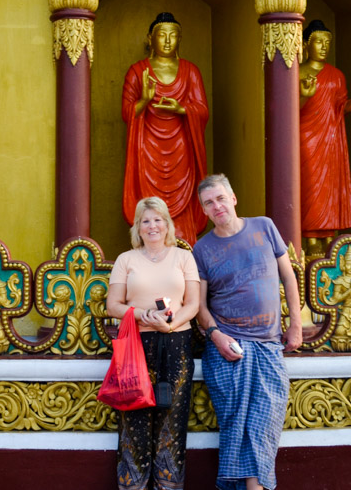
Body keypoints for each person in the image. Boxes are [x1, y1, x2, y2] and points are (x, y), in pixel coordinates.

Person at [193, 174, 302, 490]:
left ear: (233, 198)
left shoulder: (264, 227)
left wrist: (295, 322)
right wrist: (216, 336)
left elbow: (288, 278)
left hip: (269, 345)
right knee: (237, 426)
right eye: (209, 203)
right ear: (204, 210)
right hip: (228, 347)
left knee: (264, 424)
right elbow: (200, 307)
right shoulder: (202, 249)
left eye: (220, 198)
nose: (217, 206)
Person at [106, 196, 201, 490]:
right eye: (145, 221)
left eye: (158, 219)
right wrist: (143, 315)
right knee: (134, 415)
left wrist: (170, 324)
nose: (152, 226)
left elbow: (193, 303)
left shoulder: (183, 257)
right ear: (138, 227)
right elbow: (113, 305)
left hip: (176, 343)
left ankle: (168, 484)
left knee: (172, 415)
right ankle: (133, 484)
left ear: (167, 224)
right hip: (137, 343)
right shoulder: (127, 259)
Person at [122, 12, 209, 245]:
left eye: (173, 35)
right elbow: (126, 112)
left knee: (183, 201)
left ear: (180, 39)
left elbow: (202, 109)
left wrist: (182, 109)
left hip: (182, 147)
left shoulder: (190, 71)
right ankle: (150, 247)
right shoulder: (138, 71)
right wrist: (144, 99)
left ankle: (183, 245)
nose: (168, 41)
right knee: (150, 200)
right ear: (150, 38)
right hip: (148, 149)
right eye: (162, 35)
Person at [298, 20, 351, 256]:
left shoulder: (336, 75)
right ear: (306, 44)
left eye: (327, 42)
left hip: (330, 141)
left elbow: (341, 108)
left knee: (328, 192)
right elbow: (286, 112)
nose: (323, 47)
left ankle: (329, 243)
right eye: (318, 42)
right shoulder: (297, 72)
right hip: (306, 139)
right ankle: (311, 244)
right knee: (310, 188)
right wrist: (304, 95)